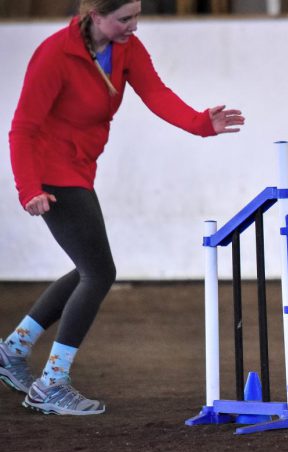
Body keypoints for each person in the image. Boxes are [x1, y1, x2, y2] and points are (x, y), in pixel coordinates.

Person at [1, 0, 245, 416]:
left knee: (87, 269)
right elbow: (23, 127)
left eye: (137, 16)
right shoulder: (55, 54)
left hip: (79, 169)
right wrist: (29, 189)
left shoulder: (126, 50)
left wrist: (201, 123)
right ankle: (51, 384)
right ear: (94, 15)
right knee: (99, 273)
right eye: (124, 18)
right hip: (52, 175)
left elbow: (157, 94)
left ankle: (12, 352)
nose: (134, 26)